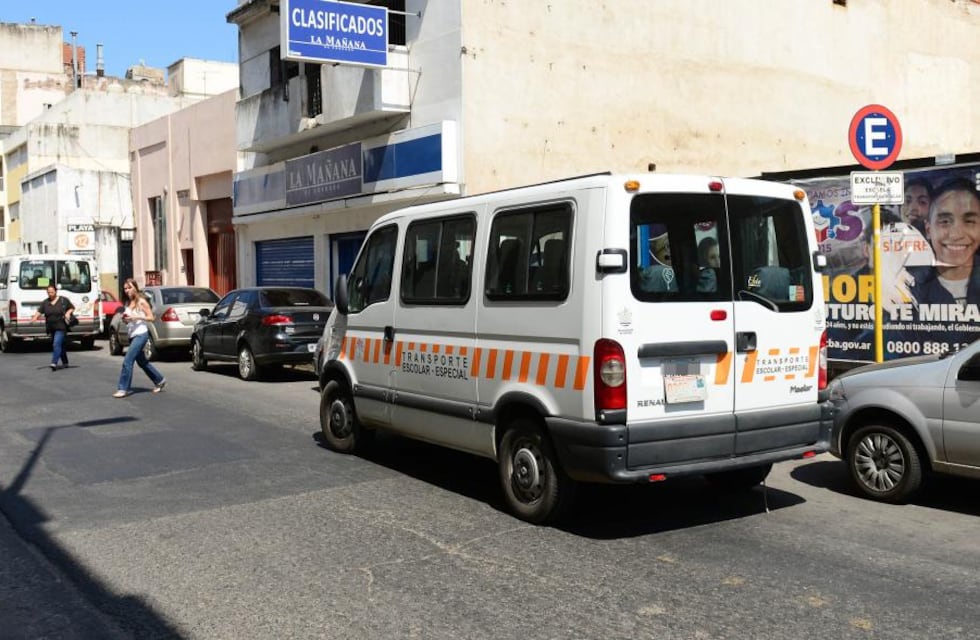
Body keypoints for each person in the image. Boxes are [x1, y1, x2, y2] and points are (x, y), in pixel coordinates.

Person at [908, 177, 980, 307]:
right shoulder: (904, 285)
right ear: (928, 230)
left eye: (969, 221)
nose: (956, 235)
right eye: (945, 222)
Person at [114, 278, 166, 398]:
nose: (127, 291)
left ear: (135, 288)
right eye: (125, 288)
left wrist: (137, 317)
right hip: (132, 334)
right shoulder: (128, 302)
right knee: (142, 362)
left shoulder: (141, 301)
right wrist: (126, 320)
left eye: (129, 288)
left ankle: (123, 389)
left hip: (141, 334)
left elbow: (151, 317)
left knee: (128, 360)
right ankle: (160, 380)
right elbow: (129, 319)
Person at [31, 284, 74, 370]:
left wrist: (68, 313)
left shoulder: (63, 300)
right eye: (49, 292)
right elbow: (40, 311)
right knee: (60, 345)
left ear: (56, 291)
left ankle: (54, 362)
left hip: (61, 327)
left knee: (56, 344)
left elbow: (71, 308)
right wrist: (34, 318)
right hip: (51, 327)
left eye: (52, 292)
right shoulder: (45, 302)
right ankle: (65, 362)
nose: (50, 294)